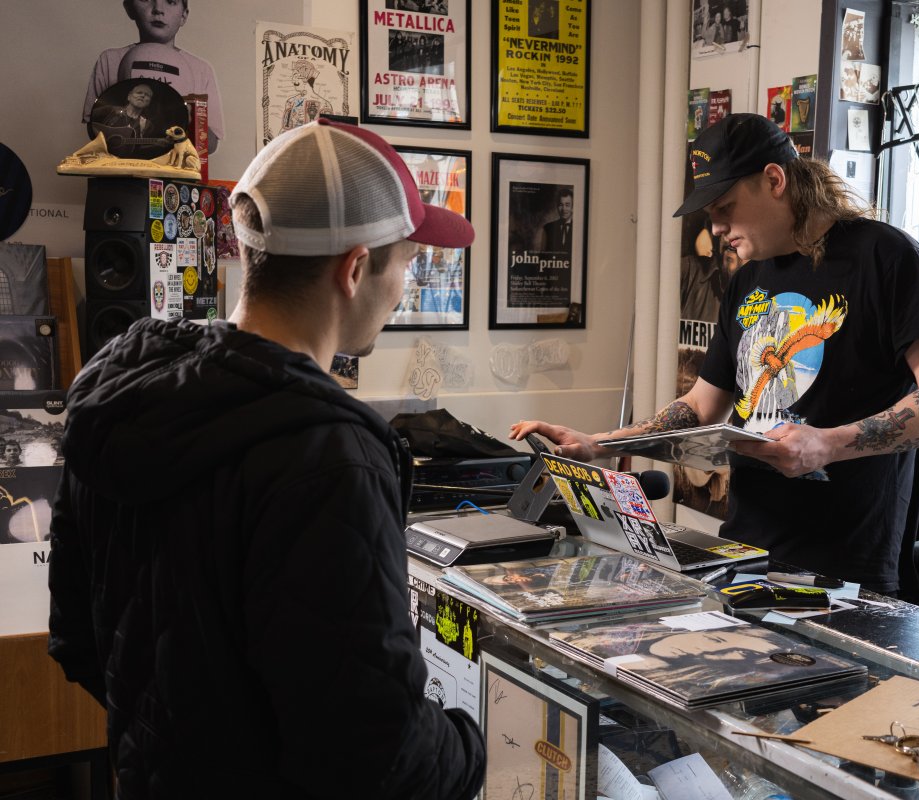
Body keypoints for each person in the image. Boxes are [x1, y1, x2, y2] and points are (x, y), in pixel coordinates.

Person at [47, 118, 485, 798]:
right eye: (405, 261)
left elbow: (78, 640)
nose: (404, 285)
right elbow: (375, 756)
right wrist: (470, 743)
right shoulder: (329, 457)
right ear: (355, 268)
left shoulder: (116, 392)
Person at [512, 113, 919, 594]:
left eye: (725, 207)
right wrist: (602, 444)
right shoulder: (749, 278)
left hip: (845, 566)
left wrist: (828, 443)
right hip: (744, 556)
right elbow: (700, 407)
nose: (715, 227)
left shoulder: (886, 257)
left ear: (774, 180)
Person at [82, 0, 225, 153]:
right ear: (129, 8)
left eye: (171, 1)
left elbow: (210, 145)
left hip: (175, 173)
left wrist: (189, 119)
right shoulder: (110, 60)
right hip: (120, 172)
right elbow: (93, 131)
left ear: (184, 15)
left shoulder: (201, 70)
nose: (158, 9)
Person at [280, 58, 333, 131]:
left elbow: (329, 132)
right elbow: (284, 131)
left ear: (305, 79)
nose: (293, 80)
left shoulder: (325, 105)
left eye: (296, 76)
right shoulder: (290, 102)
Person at [540, 187, 574, 253]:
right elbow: (542, 256)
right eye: (561, 205)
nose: (564, 209)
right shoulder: (547, 228)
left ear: (572, 207)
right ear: (557, 206)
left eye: (567, 205)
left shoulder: (578, 229)